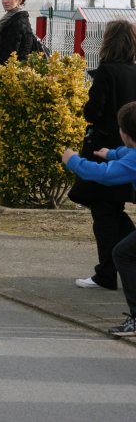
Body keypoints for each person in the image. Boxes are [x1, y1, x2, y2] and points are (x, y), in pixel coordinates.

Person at [69, 20, 136, 291]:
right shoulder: (133, 71)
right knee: (112, 208)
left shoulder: (106, 72)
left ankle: (105, 273)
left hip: (104, 148)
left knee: (103, 213)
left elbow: (92, 111)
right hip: (127, 147)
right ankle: (114, 263)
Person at [62, 101, 136, 336]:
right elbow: (125, 153)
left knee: (122, 253)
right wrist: (111, 153)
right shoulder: (130, 153)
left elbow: (104, 175)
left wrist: (73, 160)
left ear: (124, 133)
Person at [0, 0, 40, 66]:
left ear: (19, 0)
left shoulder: (18, 22)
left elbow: (12, 53)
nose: (5, 1)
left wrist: (1, 72)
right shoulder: (9, 19)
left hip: (13, 74)